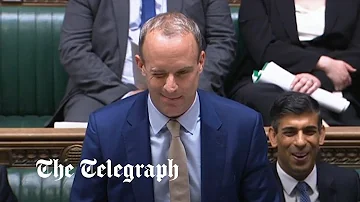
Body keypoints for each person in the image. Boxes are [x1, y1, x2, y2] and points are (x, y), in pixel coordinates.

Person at [70, 12, 281, 202]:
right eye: (159, 74)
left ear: (201, 62)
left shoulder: (243, 127)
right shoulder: (106, 129)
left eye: (182, 73)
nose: (170, 87)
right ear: (140, 66)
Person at [46, 0, 236, 127]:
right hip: (103, 92)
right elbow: (74, 48)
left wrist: (189, 87)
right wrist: (124, 94)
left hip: (188, 88)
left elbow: (223, 41)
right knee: (82, 152)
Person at [227, 0, 360, 126]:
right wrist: (319, 62)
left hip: (335, 83)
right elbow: (263, 48)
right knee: (281, 107)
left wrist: (319, 78)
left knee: (344, 115)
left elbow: (356, 53)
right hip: (269, 80)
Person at [268, 91, 360, 202]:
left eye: (309, 131)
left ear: (321, 135)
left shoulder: (346, 183)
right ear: (273, 137)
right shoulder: (255, 185)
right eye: (290, 132)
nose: (300, 142)